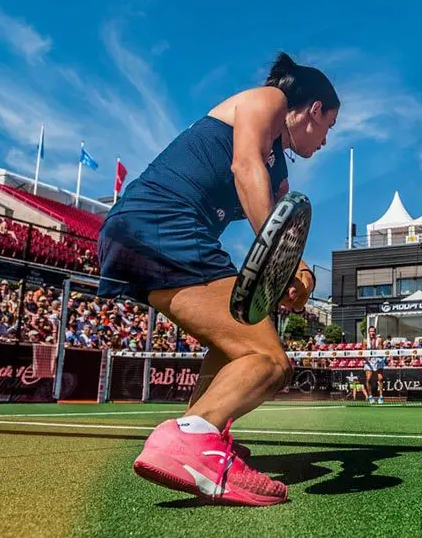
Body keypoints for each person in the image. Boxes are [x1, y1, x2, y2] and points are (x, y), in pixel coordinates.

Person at [96, 53, 338, 506]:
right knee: (269, 361)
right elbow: (243, 168)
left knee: (233, 346)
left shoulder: (280, 171)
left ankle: (202, 430)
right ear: (314, 109)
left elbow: (277, 232)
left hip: (144, 229)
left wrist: (295, 273)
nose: (326, 139)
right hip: (163, 220)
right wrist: (285, 267)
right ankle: (190, 438)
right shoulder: (269, 100)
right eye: (330, 125)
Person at [363, 325, 385, 404]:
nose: (372, 333)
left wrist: (379, 357)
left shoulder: (379, 340)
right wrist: (366, 358)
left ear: (375, 332)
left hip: (378, 360)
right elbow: (363, 352)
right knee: (368, 379)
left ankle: (381, 397)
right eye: (370, 331)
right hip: (369, 361)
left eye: (373, 331)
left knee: (381, 378)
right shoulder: (365, 341)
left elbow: (381, 350)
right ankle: (370, 396)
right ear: (368, 333)